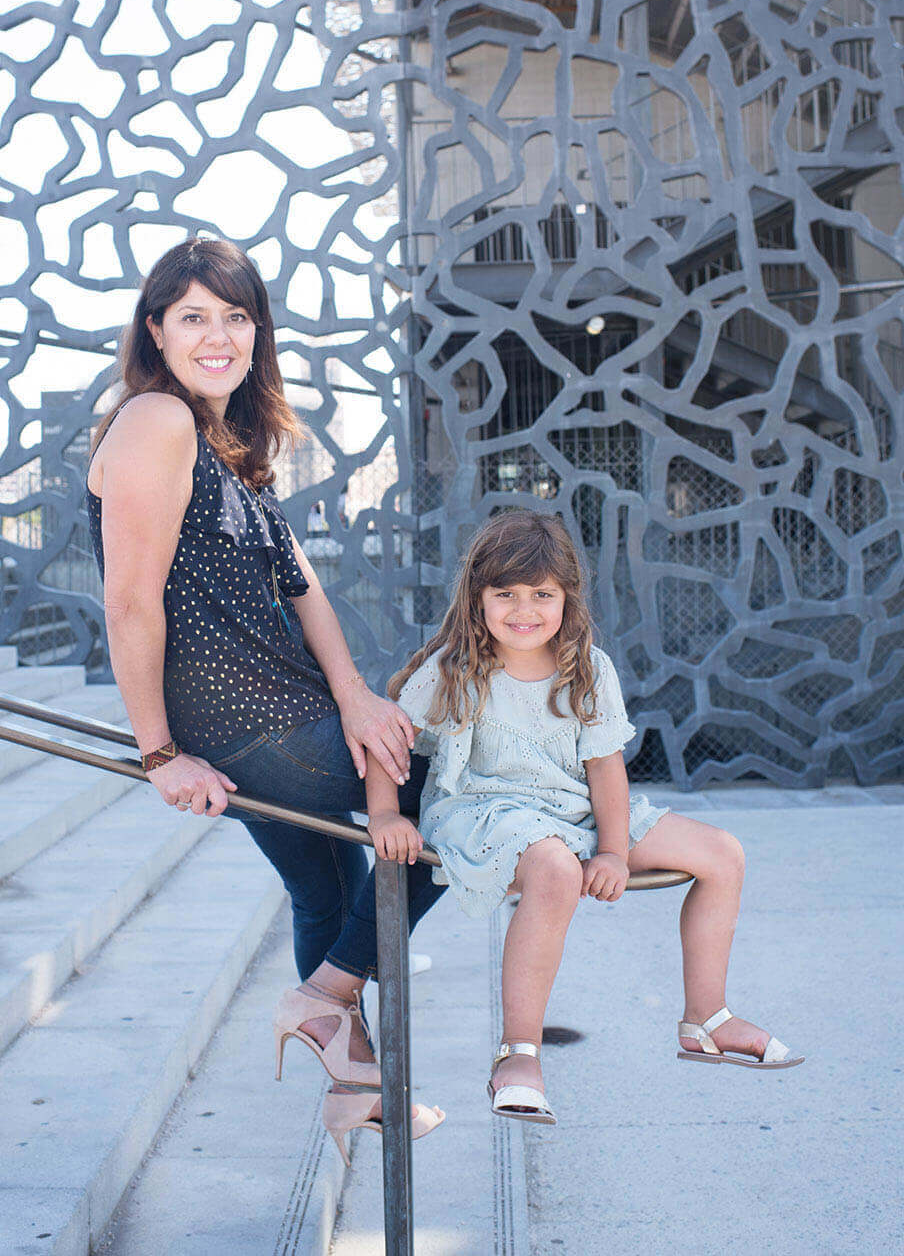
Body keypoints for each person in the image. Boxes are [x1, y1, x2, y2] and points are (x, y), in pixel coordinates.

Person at [86, 236, 443, 1153]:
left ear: (257, 331)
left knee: (331, 883)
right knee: (462, 800)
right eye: (194, 315)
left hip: (285, 706)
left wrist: (358, 699)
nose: (218, 335)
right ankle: (325, 999)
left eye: (236, 316)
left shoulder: (222, 441)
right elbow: (127, 600)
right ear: (156, 330)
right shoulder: (155, 421)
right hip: (246, 722)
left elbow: (302, 587)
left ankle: (349, 1080)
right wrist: (160, 752)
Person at [367, 510, 803, 1127]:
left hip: (570, 804)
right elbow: (388, 741)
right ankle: (518, 1054)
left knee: (722, 852)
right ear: (477, 599)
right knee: (552, 868)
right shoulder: (454, 668)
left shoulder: (589, 669)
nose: (525, 610)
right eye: (505, 595)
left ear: (567, 598)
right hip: (484, 809)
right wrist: (386, 814)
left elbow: (605, 772)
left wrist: (616, 851)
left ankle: (706, 1017)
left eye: (542, 594)